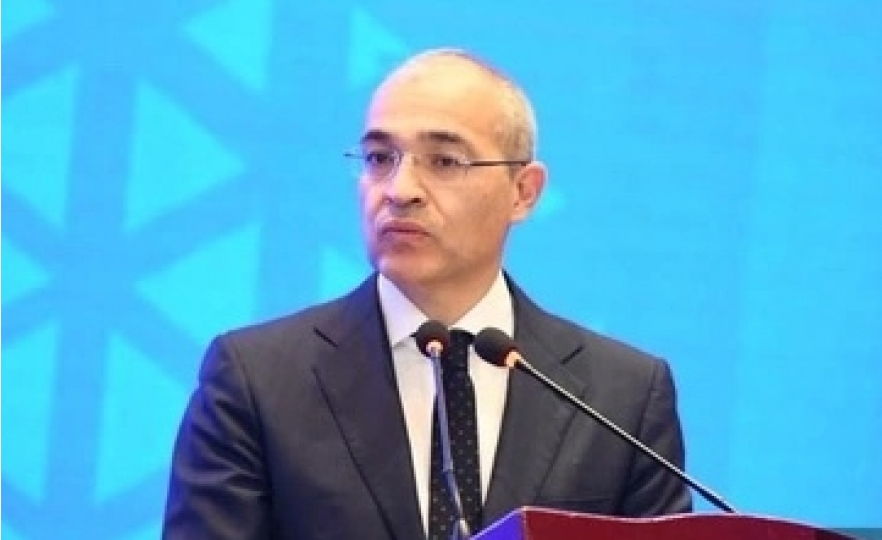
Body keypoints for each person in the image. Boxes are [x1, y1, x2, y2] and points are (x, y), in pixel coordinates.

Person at [163, 47, 691, 540]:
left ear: (523, 192)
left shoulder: (622, 397)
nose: (400, 190)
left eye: (444, 162)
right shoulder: (257, 381)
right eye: (379, 158)